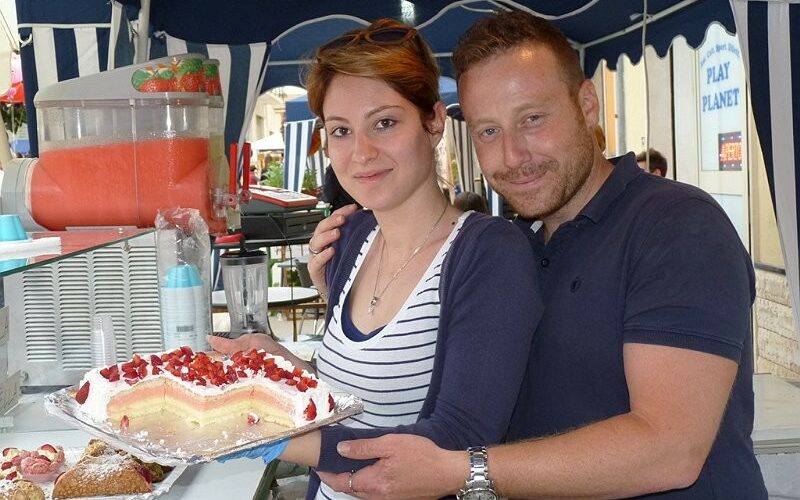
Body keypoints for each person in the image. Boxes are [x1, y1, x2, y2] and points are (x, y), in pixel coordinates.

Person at [314, 10, 766, 500]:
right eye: (488, 131)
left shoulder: (676, 226)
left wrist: (466, 470)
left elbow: (669, 448)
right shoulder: (518, 243)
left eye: (532, 119)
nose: (512, 155)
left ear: (587, 104)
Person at [210, 18, 541, 500]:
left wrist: (269, 436)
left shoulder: (489, 254)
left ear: (433, 121)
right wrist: (279, 364)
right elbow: (352, 402)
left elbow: (456, 438)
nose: (361, 153)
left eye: (384, 123)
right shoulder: (350, 237)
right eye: (340, 131)